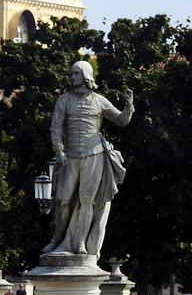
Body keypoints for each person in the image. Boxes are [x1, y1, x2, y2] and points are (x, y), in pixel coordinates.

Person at [43, 60, 133, 256]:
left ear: (85, 76)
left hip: (94, 155)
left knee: (87, 200)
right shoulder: (64, 100)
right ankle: (57, 238)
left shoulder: (99, 100)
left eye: (75, 74)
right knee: (62, 199)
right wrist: (58, 150)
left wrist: (128, 107)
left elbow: (120, 120)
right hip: (70, 155)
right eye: (72, 74)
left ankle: (80, 242)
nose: (72, 77)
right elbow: (56, 127)